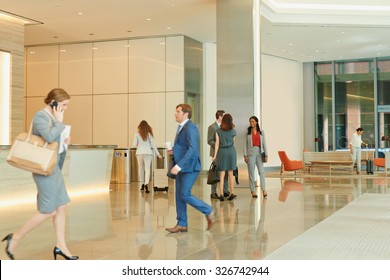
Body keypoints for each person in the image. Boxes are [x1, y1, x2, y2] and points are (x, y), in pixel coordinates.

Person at [2, 88, 78, 260]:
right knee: (48, 211)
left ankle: (61, 246)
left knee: (61, 207)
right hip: (44, 171)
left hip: (54, 169)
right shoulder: (40, 117)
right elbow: (50, 137)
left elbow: (53, 144)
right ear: (53, 102)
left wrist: (65, 142)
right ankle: (15, 237)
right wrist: (59, 123)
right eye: (64, 105)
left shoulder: (53, 118)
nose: (65, 108)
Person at [166, 104, 215, 233]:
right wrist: (174, 152)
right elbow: (184, 147)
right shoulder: (181, 127)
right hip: (181, 166)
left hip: (190, 167)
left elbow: (193, 149)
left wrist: (179, 165)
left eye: (178, 111)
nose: (175, 114)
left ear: (186, 114)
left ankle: (208, 210)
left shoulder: (191, 127)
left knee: (184, 194)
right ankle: (182, 223)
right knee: (178, 195)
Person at [212, 114, 237, 201]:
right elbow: (233, 142)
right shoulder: (233, 131)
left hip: (222, 152)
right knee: (231, 174)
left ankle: (221, 194)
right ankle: (231, 193)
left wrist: (214, 156)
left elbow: (217, 144)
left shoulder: (218, 131)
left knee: (221, 175)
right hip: (231, 152)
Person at [133, 120, 162, 193]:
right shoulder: (149, 134)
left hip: (139, 153)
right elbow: (153, 145)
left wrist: (139, 143)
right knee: (147, 169)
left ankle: (141, 184)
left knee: (141, 169)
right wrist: (158, 154)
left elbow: (134, 144)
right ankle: (146, 184)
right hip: (148, 153)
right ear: (147, 126)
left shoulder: (136, 134)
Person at [243, 116, 268, 198]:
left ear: (256, 122)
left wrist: (266, 154)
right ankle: (253, 190)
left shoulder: (261, 132)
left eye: (253, 121)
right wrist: (245, 155)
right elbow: (245, 144)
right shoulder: (248, 132)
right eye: (250, 122)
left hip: (259, 153)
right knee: (251, 172)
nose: (251, 123)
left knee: (261, 172)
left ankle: (264, 189)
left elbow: (264, 143)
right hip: (250, 153)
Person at [207, 110, 229, 199]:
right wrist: (218, 145)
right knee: (215, 172)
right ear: (219, 117)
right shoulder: (212, 127)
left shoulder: (225, 127)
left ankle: (225, 190)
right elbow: (209, 140)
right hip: (216, 153)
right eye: (223, 116)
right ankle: (213, 192)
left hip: (224, 152)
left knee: (225, 171)